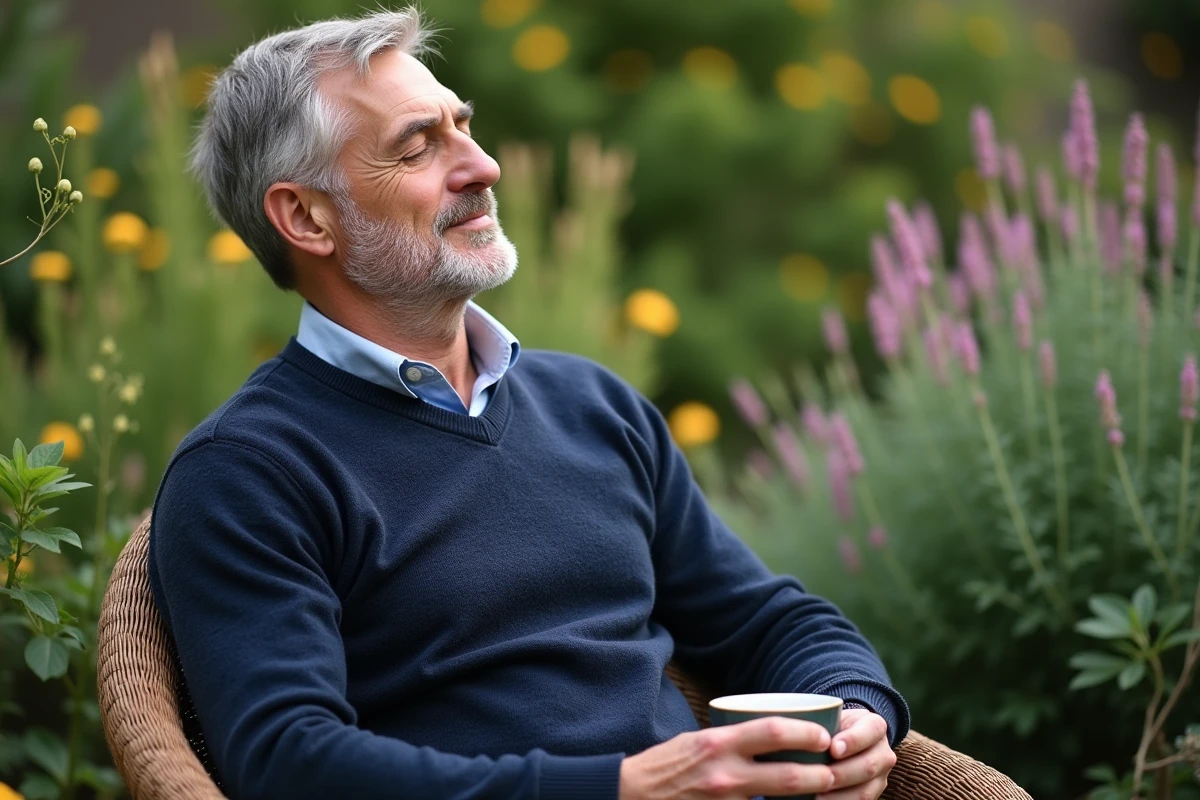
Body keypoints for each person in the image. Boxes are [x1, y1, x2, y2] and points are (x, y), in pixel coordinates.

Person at [149, 8, 909, 800]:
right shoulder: (246, 473)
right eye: (417, 147)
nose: (482, 166)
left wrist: (858, 714)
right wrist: (619, 787)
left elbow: (770, 624)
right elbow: (291, 764)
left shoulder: (592, 405)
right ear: (306, 217)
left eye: (464, 128)